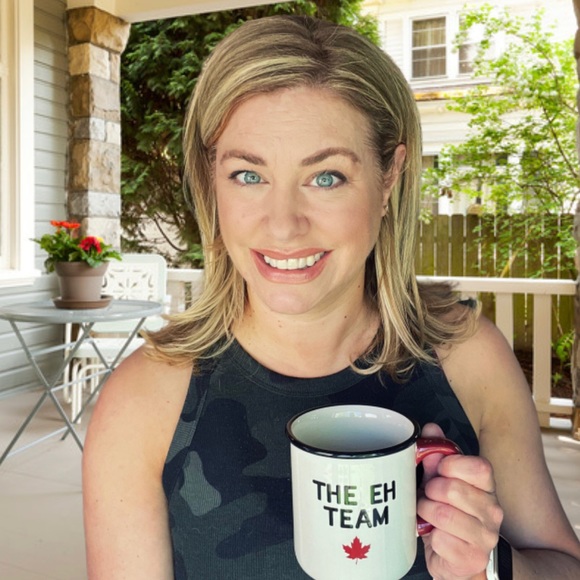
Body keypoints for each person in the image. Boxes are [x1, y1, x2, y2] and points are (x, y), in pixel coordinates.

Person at [82, 15, 580, 579]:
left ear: (390, 178)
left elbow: (564, 565)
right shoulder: (142, 402)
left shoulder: (468, 358)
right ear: (210, 180)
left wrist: (491, 566)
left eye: (326, 177)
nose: (283, 225)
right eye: (248, 175)